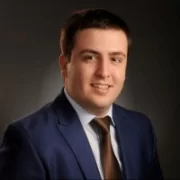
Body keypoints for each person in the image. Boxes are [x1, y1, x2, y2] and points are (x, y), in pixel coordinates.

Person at [0, 8, 163, 179]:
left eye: (115, 59)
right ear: (65, 65)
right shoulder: (28, 138)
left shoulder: (141, 128)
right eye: (90, 57)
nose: (104, 72)